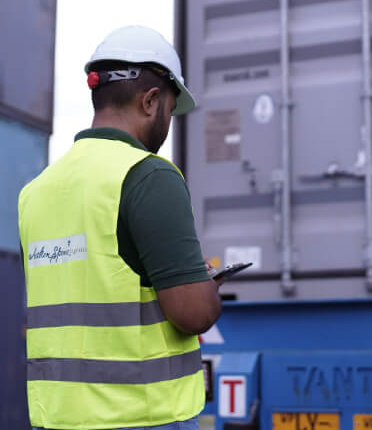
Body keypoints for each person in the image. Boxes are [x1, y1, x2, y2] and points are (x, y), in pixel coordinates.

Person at [18, 25, 222, 430]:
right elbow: (193, 312)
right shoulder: (147, 176)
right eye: (169, 109)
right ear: (150, 101)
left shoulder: (35, 193)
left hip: (54, 418)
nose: (167, 123)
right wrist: (205, 284)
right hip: (142, 416)